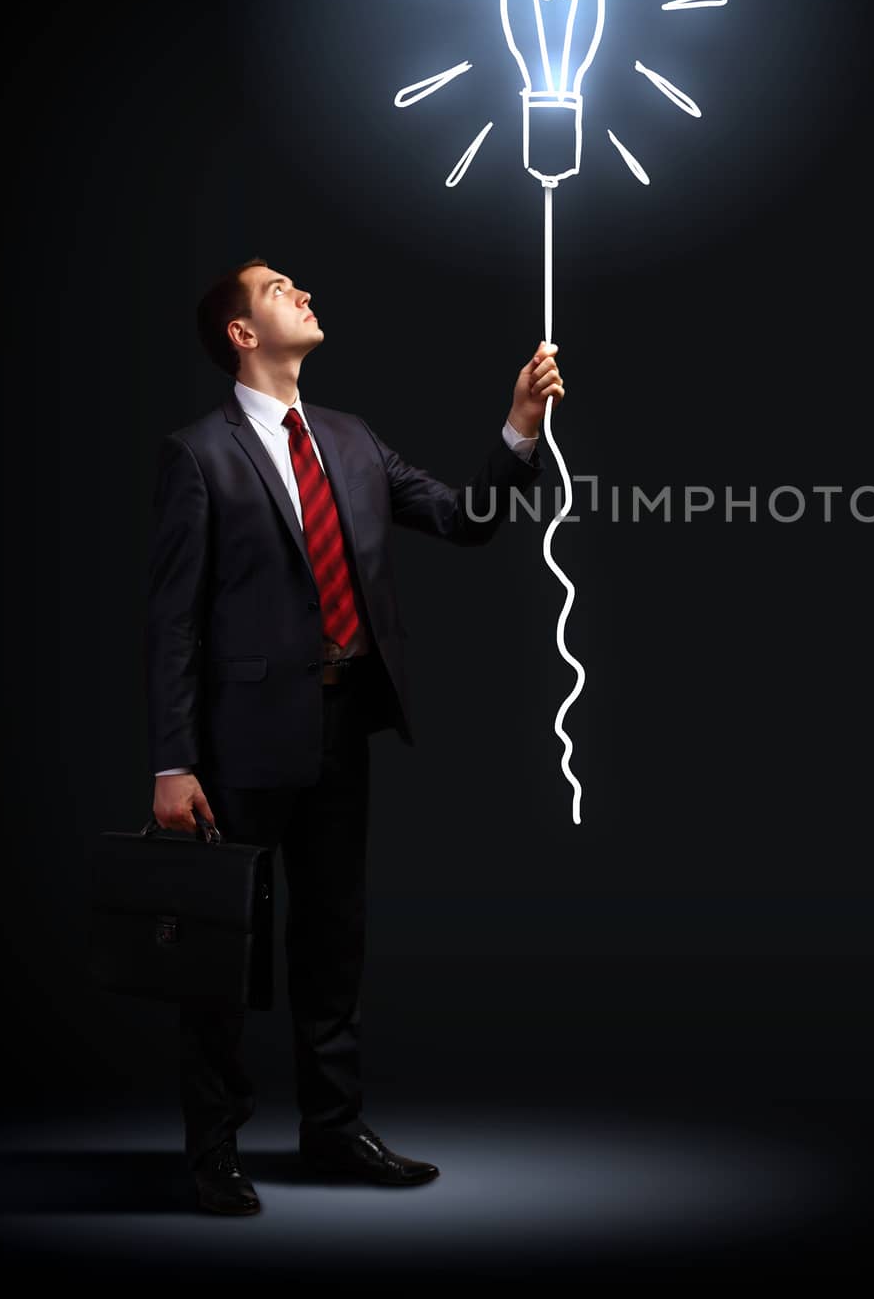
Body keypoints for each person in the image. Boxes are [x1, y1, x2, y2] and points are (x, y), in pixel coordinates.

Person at [145, 254, 562, 1214]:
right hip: (237, 738)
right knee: (223, 950)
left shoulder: (352, 438)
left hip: (344, 721)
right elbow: (171, 621)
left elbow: (466, 522)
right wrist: (173, 762)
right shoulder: (199, 453)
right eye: (277, 288)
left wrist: (518, 430)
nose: (302, 292)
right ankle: (213, 1148)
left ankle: (332, 1131)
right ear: (242, 334)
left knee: (334, 940)